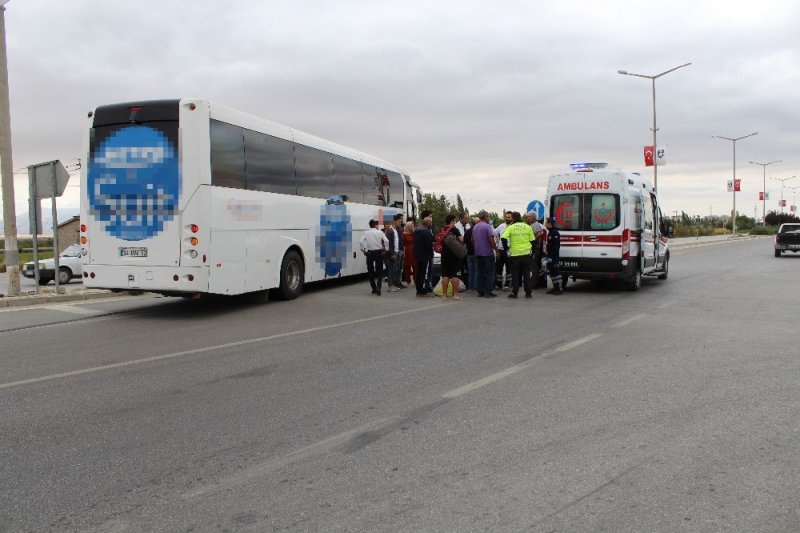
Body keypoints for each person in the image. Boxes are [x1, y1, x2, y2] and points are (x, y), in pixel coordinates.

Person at [501, 211, 534, 299]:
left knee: (515, 274)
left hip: (514, 254)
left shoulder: (511, 227)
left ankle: (515, 293)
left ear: (513, 218)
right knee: (526, 274)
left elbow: (503, 238)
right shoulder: (527, 227)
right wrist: (532, 251)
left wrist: (507, 249)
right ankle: (528, 293)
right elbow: (533, 240)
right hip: (526, 254)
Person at [472, 211, 498, 297]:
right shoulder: (487, 227)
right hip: (487, 253)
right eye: (488, 217)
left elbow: (472, 240)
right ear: (486, 217)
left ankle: (480, 291)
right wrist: (496, 250)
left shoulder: (475, 226)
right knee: (490, 272)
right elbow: (491, 239)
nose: (489, 218)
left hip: (478, 253)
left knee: (480, 273)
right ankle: (488, 292)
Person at [360, 219, 389, 296]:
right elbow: (386, 241)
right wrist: (386, 249)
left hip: (370, 253)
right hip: (379, 252)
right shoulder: (380, 232)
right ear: (376, 225)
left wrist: (364, 250)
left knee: (370, 270)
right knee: (379, 270)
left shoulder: (366, 233)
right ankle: (379, 287)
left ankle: (374, 288)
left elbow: (361, 241)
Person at [439, 214, 463, 300]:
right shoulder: (454, 230)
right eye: (455, 220)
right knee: (454, 275)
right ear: (452, 221)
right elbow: (462, 240)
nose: (455, 222)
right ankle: (455, 294)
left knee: (445, 275)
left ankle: (444, 295)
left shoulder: (443, 229)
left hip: (444, 255)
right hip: (454, 255)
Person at [413, 217, 434, 297]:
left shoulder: (416, 231)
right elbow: (429, 245)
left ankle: (419, 289)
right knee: (424, 273)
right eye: (431, 222)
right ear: (427, 223)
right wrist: (431, 254)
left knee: (419, 272)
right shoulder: (427, 232)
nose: (431, 224)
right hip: (425, 255)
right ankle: (422, 289)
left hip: (417, 254)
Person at [494, 211, 513, 291]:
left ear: (512, 218)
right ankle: (498, 284)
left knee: (509, 268)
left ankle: (507, 284)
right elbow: (494, 232)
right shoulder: (501, 226)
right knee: (498, 268)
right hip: (500, 250)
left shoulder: (514, 226)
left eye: (509, 217)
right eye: (506, 217)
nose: (507, 218)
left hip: (509, 250)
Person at [544, 216, 563, 295]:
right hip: (550, 256)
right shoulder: (550, 232)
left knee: (556, 273)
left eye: (546, 223)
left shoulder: (555, 233)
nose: (545, 224)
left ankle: (559, 289)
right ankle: (555, 288)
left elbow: (556, 247)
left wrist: (552, 257)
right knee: (552, 273)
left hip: (554, 257)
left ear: (550, 224)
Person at [383, 214, 401, 292]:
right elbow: (388, 243)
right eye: (399, 221)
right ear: (394, 221)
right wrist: (392, 254)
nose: (400, 223)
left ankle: (393, 285)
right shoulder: (390, 230)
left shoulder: (395, 230)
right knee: (390, 270)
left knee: (393, 269)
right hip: (391, 254)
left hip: (395, 252)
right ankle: (390, 286)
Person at [528, 212, 546, 290]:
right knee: (536, 266)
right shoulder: (533, 225)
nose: (528, 218)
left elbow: (539, 234)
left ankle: (534, 284)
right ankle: (537, 283)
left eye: (529, 216)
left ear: (533, 217)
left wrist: (531, 240)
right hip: (535, 248)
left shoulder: (535, 225)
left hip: (535, 248)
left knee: (534, 267)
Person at [464, 215, 480, 291]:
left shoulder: (467, 231)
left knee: (471, 270)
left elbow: (464, 242)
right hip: (477, 253)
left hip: (469, 253)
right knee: (477, 270)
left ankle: (470, 287)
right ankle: (476, 286)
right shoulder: (478, 231)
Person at [392, 213, 406, 288]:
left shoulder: (400, 228)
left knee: (400, 268)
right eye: (400, 220)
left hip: (401, 249)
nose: (401, 221)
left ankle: (399, 282)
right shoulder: (394, 229)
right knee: (396, 267)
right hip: (397, 250)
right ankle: (395, 282)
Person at [402, 220, 416, 285]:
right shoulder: (404, 234)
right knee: (407, 266)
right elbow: (402, 244)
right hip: (407, 252)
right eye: (411, 225)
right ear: (407, 226)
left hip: (414, 251)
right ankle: (408, 280)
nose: (412, 226)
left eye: (412, 225)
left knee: (415, 266)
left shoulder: (414, 233)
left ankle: (416, 280)